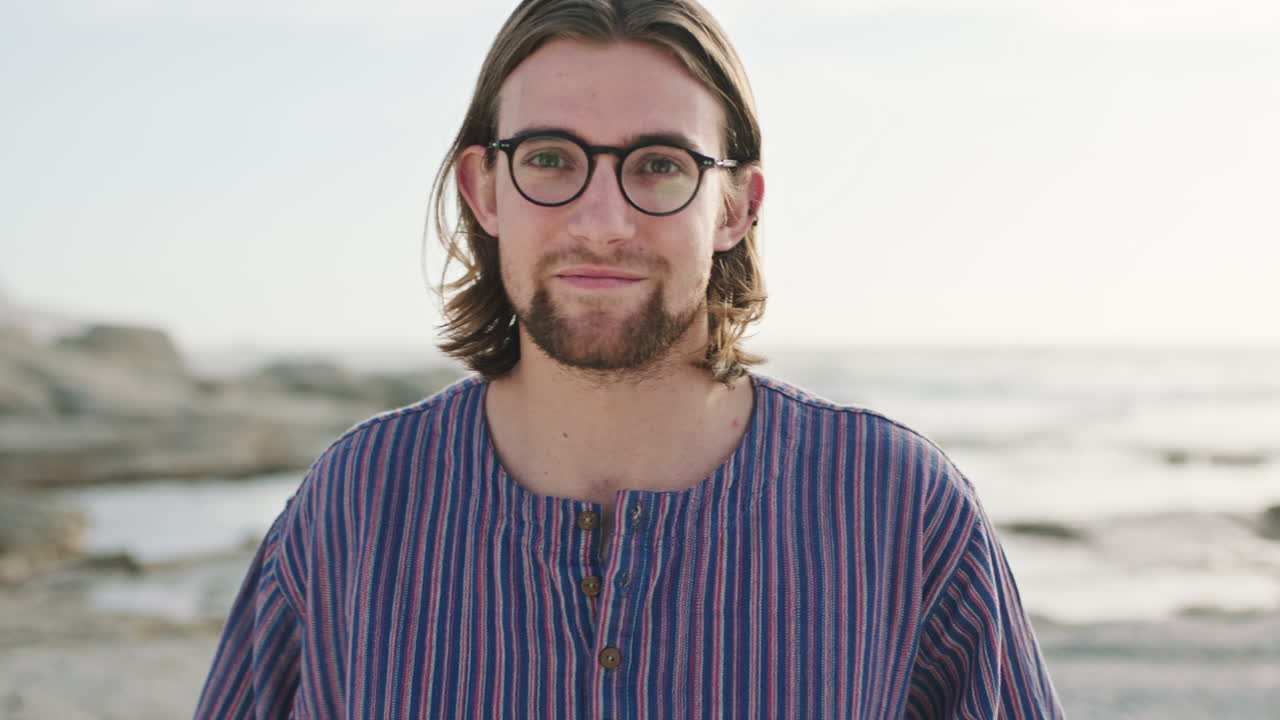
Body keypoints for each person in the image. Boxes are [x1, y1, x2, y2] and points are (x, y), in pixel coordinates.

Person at [195, 0, 1065, 718]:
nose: (602, 220)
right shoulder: (357, 506)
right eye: (548, 158)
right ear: (484, 189)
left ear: (735, 207)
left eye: (658, 165)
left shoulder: (897, 509)